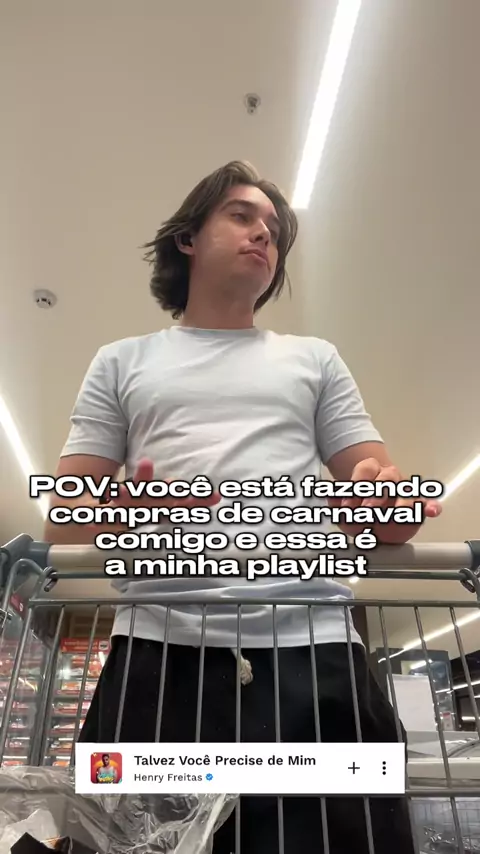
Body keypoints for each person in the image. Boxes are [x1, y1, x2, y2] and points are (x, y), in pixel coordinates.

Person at [46, 161, 441, 853]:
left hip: (314, 651)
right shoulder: (121, 362)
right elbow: (64, 519)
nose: (264, 233)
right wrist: (128, 508)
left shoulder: (316, 360)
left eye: (275, 230)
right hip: (160, 656)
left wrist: (385, 496)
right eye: (241, 215)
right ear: (188, 239)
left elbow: (390, 517)